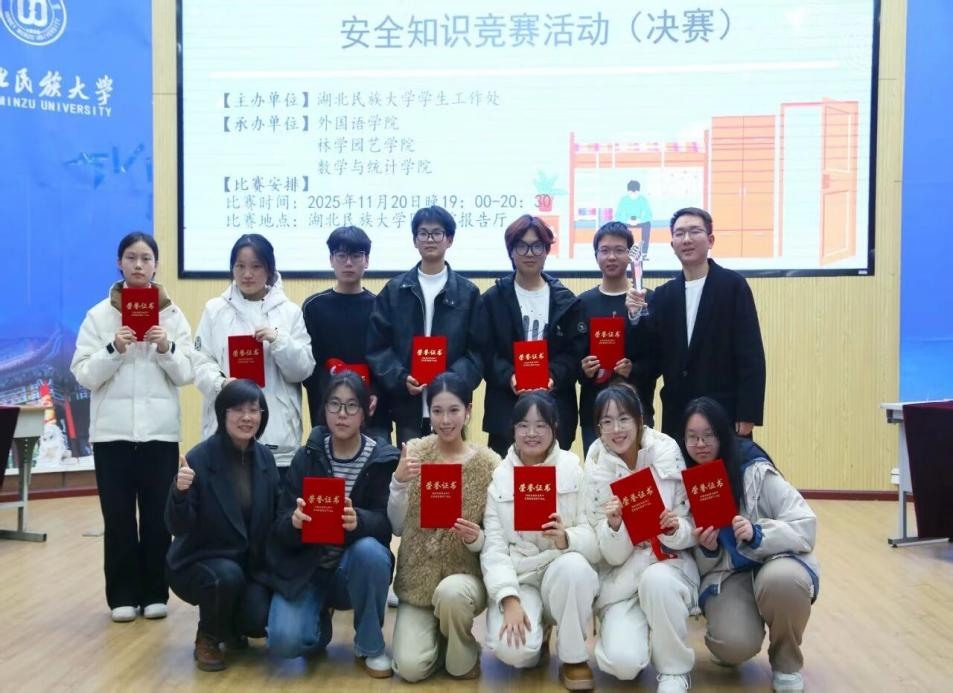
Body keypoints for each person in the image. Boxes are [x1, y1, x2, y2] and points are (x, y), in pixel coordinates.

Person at [70, 232, 193, 623]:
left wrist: (166, 348)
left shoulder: (172, 315)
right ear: (119, 263)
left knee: (157, 518)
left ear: (156, 264)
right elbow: (83, 375)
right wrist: (113, 349)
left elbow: (187, 373)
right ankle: (121, 596)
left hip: (159, 434)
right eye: (131, 257)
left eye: (146, 258)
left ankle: (155, 592)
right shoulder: (98, 316)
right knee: (119, 519)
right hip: (113, 436)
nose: (139, 265)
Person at [680, 397, 818, 693]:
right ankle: (736, 633)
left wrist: (758, 533)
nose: (700, 444)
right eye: (692, 437)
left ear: (723, 434)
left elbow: (805, 524)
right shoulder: (686, 483)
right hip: (729, 576)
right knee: (731, 644)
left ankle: (786, 663)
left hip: (776, 562)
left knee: (783, 581)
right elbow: (695, 567)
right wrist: (708, 549)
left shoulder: (754, 469)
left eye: (708, 435)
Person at [267, 371, 399, 678]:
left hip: (352, 569)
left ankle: (369, 645)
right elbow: (280, 524)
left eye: (352, 406)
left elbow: (387, 524)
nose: (342, 414)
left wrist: (360, 520)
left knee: (370, 552)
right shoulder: (307, 456)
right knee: (285, 643)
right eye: (334, 404)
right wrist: (294, 522)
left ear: (366, 411)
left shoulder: (380, 459)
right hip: (308, 569)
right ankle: (318, 623)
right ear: (323, 409)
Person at [481, 392, 601, 691]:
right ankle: (539, 636)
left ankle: (573, 657)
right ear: (513, 430)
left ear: (555, 428)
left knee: (575, 567)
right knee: (515, 652)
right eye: (523, 425)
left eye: (541, 425)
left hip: (559, 569)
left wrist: (566, 538)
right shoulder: (500, 477)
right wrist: (508, 598)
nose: (531, 433)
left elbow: (592, 535)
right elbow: (494, 548)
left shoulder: (572, 468)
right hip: (520, 576)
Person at [582, 384, 698, 692]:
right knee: (623, 664)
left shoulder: (667, 450)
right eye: (606, 422)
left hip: (667, 565)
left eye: (624, 419)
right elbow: (609, 554)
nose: (616, 429)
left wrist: (674, 529)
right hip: (621, 576)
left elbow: (692, 522)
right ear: (598, 428)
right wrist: (615, 527)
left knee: (656, 581)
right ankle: (621, 630)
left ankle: (674, 670)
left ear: (640, 420)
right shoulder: (595, 465)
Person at [388, 372, 499, 682]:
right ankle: (437, 636)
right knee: (410, 668)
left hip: (464, 581)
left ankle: (461, 646)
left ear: (468, 411)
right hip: (418, 581)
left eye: (453, 410)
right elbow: (396, 526)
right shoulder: (415, 454)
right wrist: (398, 483)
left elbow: (498, 539)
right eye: (437, 411)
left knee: (457, 662)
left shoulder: (489, 464)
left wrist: (476, 538)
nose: (445, 420)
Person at [165, 380, 280, 671]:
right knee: (226, 576)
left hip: (247, 565)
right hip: (199, 561)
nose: (247, 417)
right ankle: (208, 636)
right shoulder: (199, 458)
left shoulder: (266, 459)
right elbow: (178, 526)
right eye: (238, 410)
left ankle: (230, 626)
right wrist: (179, 492)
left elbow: (275, 515)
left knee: (259, 619)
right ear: (222, 413)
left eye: (254, 410)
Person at [626, 207, 766, 438]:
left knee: (723, 465)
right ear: (672, 245)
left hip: (723, 412)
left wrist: (747, 413)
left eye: (694, 231)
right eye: (679, 233)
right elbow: (652, 356)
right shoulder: (664, 295)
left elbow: (750, 354)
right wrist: (634, 316)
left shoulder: (733, 286)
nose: (687, 239)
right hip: (678, 413)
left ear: (710, 240)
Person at [191, 233, 315, 471]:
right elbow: (200, 361)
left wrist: (278, 340)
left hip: (277, 437)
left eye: (256, 266)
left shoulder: (289, 312)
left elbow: (303, 369)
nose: (247, 274)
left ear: (269, 269)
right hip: (225, 433)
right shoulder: (214, 310)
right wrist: (221, 384)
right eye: (240, 266)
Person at [367, 205, 484, 445]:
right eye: (423, 233)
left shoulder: (468, 293)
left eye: (437, 233)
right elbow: (378, 347)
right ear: (415, 240)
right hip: (407, 406)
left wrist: (450, 381)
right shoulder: (394, 290)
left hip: (451, 406)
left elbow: (478, 351)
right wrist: (401, 378)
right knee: (412, 467)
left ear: (449, 239)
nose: (430, 239)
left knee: (451, 467)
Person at [482, 215, 587, 457]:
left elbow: (574, 354)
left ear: (547, 250)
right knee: (507, 478)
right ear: (511, 251)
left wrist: (552, 376)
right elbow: (485, 352)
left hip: (555, 408)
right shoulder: (492, 300)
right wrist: (509, 377)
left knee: (552, 478)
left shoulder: (566, 301)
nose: (529, 253)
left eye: (537, 246)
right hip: (506, 409)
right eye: (522, 246)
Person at [302, 225, 390, 439]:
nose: (348, 263)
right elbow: (308, 365)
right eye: (341, 255)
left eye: (356, 255)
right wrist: (334, 398)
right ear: (331, 259)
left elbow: (386, 358)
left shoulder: (381, 306)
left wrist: (375, 393)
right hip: (329, 413)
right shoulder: (314, 307)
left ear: (366, 260)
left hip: (373, 413)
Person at [579, 221, 657, 455]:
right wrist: (584, 369)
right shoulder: (582, 303)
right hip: (595, 414)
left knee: (639, 473)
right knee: (599, 474)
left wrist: (634, 369)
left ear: (631, 256)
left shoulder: (648, 299)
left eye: (619, 250)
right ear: (596, 255)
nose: (611, 257)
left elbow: (659, 357)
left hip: (638, 410)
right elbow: (572, 356)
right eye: (605, 250)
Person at [613, 180, 653, 257]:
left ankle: (644, 252)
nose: (634, 195)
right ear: (628, 192)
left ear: (639, 191)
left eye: (636, 193)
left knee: (647, 224)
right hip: (627, 221)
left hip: (639, 221)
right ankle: (621, 249)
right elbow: (617, 215)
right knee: (619, 225)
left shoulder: (642, 199)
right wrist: (626, 220)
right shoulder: (624, 199)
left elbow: (649, 214)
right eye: (632, 193)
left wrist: (640, 220)